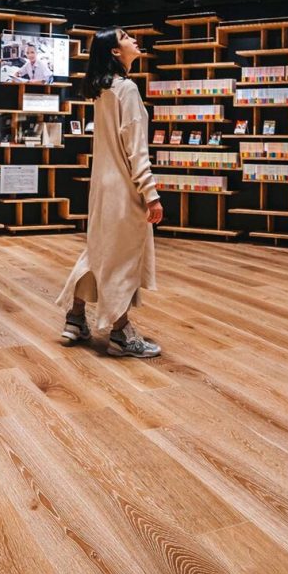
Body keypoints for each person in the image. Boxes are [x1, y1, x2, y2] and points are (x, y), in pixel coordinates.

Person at [56, 26, 163, 357]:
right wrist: (151, 192)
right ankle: (121, 334)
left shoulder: (103, 91)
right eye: (126, 37)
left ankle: (75, 318)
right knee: (121, 261)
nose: (134, 40)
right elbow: (136, 147)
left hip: (102, 187)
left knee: (98, 252)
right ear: (116, 52)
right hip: (123, 189)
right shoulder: (127, 89)